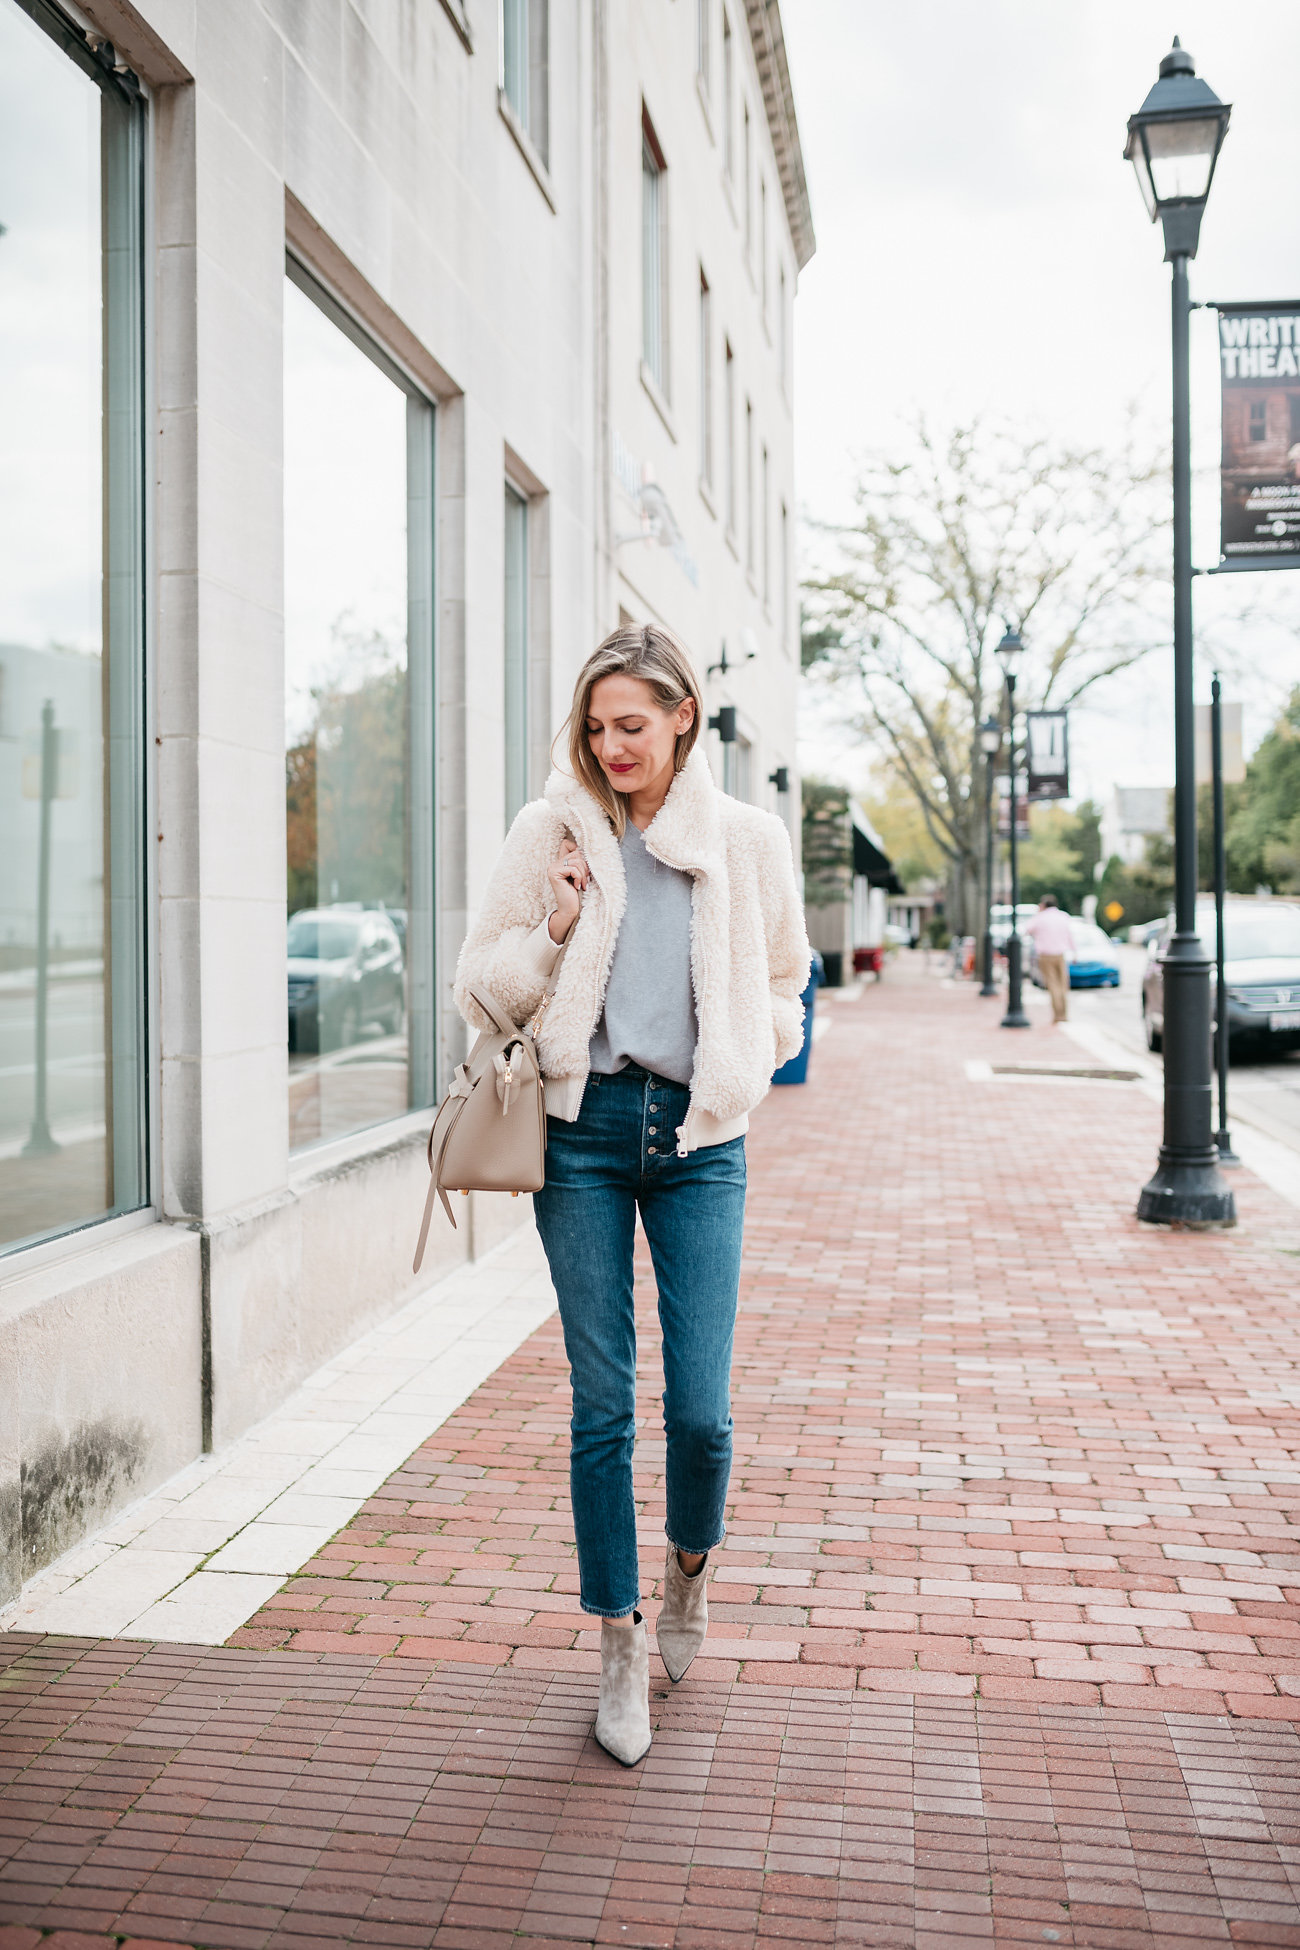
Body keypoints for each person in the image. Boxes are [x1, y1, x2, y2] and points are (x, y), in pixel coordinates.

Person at [454, 623, 810, 1767]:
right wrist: (555, 925)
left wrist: (750, 1062)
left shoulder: (747, 840)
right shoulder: (549, 832)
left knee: (700, 1414)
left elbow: (782, 978)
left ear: (683, 721)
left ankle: (689, 1569)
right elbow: (481, 990)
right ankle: (616, 1641)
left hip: (701, 1138)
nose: (611, 746)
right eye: (596, 726)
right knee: (601, 1406)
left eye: (632, 726)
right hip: (583, 1135)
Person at [1024, 894, 1074, 1023]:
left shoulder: (1040, 918)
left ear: (1043, 905)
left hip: (1046, 955)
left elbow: (1027, 930)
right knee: (1062, 985)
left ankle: (1057, 1016)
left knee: (1053, 985)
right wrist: (1074, 952)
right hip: (1060, 955)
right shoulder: (1063, 916)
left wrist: (1038, 913)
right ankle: (1064, 1014)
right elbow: (1070, 935)